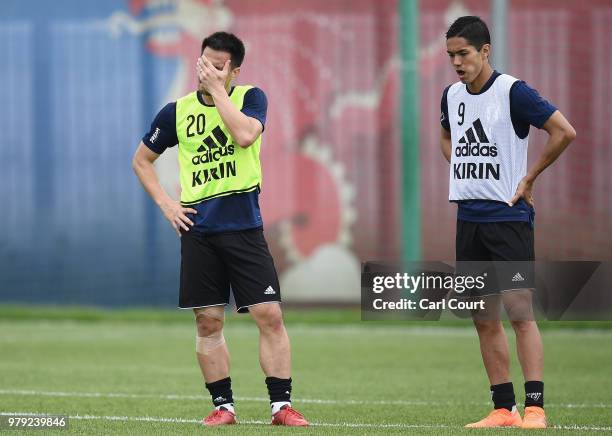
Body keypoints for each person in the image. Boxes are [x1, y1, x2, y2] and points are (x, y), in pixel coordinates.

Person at [132, 31, 309, 427]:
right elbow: (142, 160)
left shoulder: (251, 98)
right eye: (203, 62)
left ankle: (281, 407)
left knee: (270, 315)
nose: (205, 71)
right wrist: (166, 204)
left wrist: (219, 92)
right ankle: (223, 407)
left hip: (244, 227)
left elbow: (245, 135)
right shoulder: (175, 112)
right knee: (208, 321)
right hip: (199, 231)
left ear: (234, 70)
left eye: (217, 65)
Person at [440, 16, 576, 429]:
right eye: (451, 56)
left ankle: (535, 407)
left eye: (463, 53)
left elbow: (563, 131)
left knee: (520, 312)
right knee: (483, 317)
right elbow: (447, 135)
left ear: (485, 51)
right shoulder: (450, 95)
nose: (457, 63)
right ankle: (503, 408)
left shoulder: (512, 91)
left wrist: (529, 177)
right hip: (469, 219)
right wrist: (461, 164)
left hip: (508, 218)